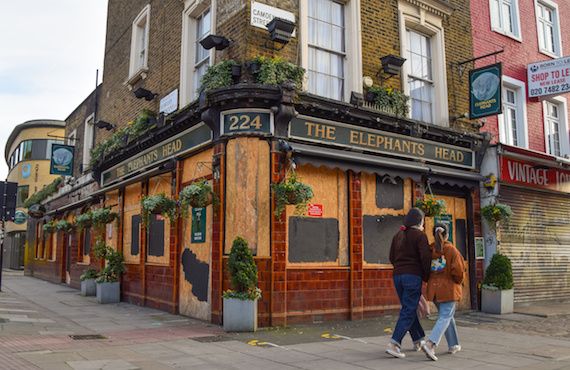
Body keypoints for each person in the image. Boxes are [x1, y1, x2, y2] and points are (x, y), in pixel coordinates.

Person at [386, 208, 432, 359]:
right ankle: (394, 343)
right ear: (420, 221)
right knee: (408, 309)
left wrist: (400, 267)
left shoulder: (397, 235)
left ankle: (418, 339)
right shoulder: (420, 236)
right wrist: (426, 276)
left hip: (398, 276)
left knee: (409, 308)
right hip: (413, 276)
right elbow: (425, 258)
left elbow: (391, 257)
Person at [421, 223, 465, 361]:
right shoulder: (451, 250)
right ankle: (431, 343)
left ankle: (454, 344)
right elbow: (458, 272)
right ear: (447, 235)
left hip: (434, 290)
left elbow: (424, 269)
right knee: (445, 316)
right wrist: (459, 282)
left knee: (446, 316)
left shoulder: (429, 250)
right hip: (448, 289)